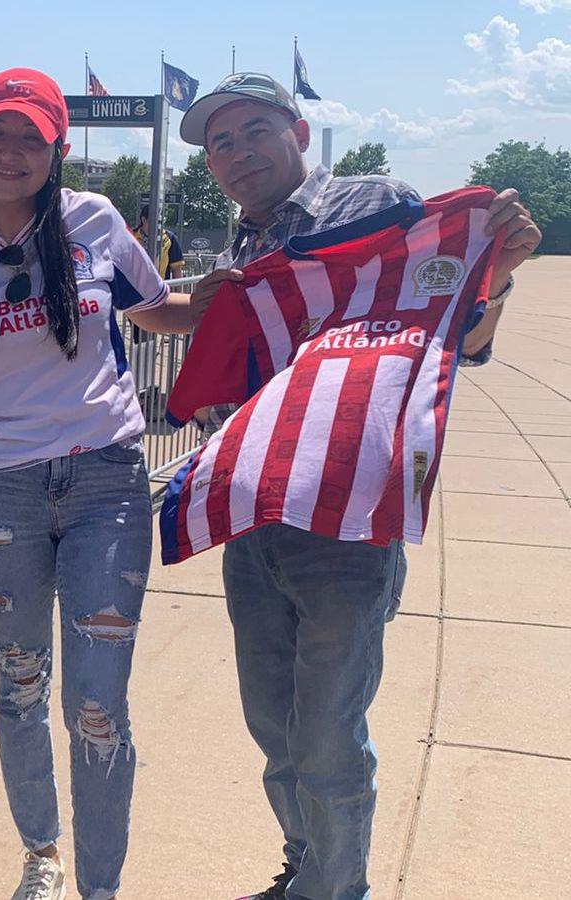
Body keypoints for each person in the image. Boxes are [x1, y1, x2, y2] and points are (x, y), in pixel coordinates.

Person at [171, 72, 541, 900]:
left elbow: (460, 339)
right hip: (253, 514)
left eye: (253, 131)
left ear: (299, 131)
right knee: (273, 722)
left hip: (346, 521)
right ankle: (308, 864)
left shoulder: (379, 207)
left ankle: (338, 890)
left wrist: (499, 271)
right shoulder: (239, 250)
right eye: (219, 145)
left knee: (329, 733)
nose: (236, 154)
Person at [0, 67, 201, 900]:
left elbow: (159, 311)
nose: (9, 153)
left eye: (29, 138)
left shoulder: (95, 222)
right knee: (19, 686)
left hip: (105, 485)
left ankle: (100, 886)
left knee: (97, 702)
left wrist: (258, 295)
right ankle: (42, 853)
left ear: (57, 150)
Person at [132, 202, 184, 279]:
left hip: (160, 288)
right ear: (144, 220)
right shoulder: (130, 237)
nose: (159, 224)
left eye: (162, 221)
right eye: (156, 221)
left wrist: (179, 291)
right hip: (134, 288)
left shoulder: (169, 238)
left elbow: (177, 269)